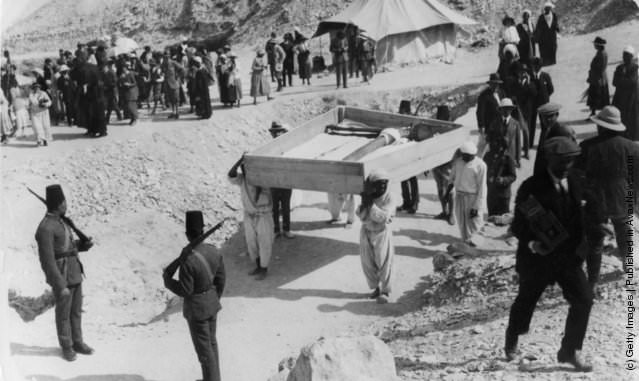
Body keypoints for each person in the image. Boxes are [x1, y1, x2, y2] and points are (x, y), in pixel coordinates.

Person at [505, 136, 593, 372]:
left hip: (568, 258)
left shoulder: (576, 181)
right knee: (526, 301)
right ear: (548, 160)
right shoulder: (530, 188)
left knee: (584, 299)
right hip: (538, 259)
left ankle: (570, 351)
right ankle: (512, 338)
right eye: (561, 162)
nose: (565, 168)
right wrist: (533, 244)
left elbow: (587, 214)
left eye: (570, 162)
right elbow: (518, 226)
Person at [576, 106, 639, 280]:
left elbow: (577, 174)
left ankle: (593, 280)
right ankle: (628, 266)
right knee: (624, 231)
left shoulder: (587, 146)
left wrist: (582, 195)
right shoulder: (632, 147)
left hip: (596, 198)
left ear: (601, 126)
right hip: (622, 196)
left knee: (595, 240)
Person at [163, 211, 225, 381]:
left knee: (204, 352)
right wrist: (212, 298)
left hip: (197, 311)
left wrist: (168, 281)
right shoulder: (214, 251)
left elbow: (185, 290)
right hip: (211, 304)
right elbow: (221, 280)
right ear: (203, 230)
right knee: (212, 344)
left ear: (187, 234)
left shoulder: (188, 260)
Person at [35, 184, 94, 362]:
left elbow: (68, 247)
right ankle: (67, 347)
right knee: (63, 314)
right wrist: (59, 285)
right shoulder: (45, 228)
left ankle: (78, 342)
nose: (66, 204)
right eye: (64, 201)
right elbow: (47, 261)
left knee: (76, 311)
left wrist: (83, 246)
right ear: (58, 204)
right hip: (62, 276)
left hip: (74, 272)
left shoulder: (62, 222)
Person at [228, 155, 274, 280]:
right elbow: (231, 175)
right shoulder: (242, 179)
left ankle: (264, 269)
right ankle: (258, 266)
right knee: (251, 243)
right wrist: (239, 161)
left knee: (264, 242)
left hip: (263, 216)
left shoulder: (264, 180)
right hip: (249, 215)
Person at [357, 169, 395, 304]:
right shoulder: (369, 196)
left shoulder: (389, 198)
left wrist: (370, 205)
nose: (382, 187)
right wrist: (365, 203)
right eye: (379, 184)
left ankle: (386, 290)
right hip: (367, 231)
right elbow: (361, 216)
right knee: (368, 262)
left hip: (381, 233)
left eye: (385, 184)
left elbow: (384, 218)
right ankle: (376, 288)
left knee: (383, 262)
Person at [446, 141, 487, 247]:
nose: (465, 158)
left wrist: (476, 207)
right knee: (462, 223)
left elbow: (482, 188)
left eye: (469, 156)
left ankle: (477, 247)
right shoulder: (458, 162)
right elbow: (452, 177)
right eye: (464, 156)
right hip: (459, 196)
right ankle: (465, 246)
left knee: (474, 224)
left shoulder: (480, 165)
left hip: (472, 198)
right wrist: (448, 189)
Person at [269, 122, 295, 239]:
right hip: (274, 182)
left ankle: (286, 229)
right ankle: (276, 230)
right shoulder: (268, 147)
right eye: (275, 132)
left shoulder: (287, 146)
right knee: (274, 208)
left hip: (286, 181)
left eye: (279, 131)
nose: (277, 134)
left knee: (285, 207)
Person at [484, 136, 517, 217]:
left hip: (503, 195)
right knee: (491, 218)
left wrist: (503, 180)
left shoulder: (508, 158)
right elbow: (483, 169)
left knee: (503, 218)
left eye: (497, 145)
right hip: (491, 194)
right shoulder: (488, 156)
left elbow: (513, 176)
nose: (493, 146)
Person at [612, 46, 639, 141]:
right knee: (621, 117)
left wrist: (621, 78)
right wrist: (623, 80)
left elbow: (632, 82)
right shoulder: (619, 67)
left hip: (631, 98)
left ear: (631, 57)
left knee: (631, 119)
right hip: (620, 98)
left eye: (627, 55)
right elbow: (614, 82)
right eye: (624, 55)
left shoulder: (634, 68)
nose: (624, 57)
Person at [476, 73, 505, 157]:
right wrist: (481, 125)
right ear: (490, 84)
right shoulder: (484, 95)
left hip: (501, 125)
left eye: (497, 84)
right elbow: (480, 112)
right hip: (489, 126)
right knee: (485, 147)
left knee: (499, 145)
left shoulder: (501, 93)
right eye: (494, 84)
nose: (496, 86)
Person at [487, 98, 522, 167]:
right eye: (504, 108)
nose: (506, 111)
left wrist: (518, 159)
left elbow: (518, 142)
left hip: (511, 155)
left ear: (512, 110)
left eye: (509, 108)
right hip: (498, 156)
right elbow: (490, 138)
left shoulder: (516, 123)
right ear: (500, 110)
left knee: (510, 175)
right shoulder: (495, 122)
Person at [530, 57, 554, 147]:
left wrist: (545, 98)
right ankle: (530, 143)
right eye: (535, 66)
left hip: (543, 104)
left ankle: (544, 143)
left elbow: (551, 89)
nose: (536, 68)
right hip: (533, 104)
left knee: (544, 124)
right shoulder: (530, 76)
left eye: (538, 66)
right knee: (531, 124)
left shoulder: (545, 76)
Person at [586, 37, 610, 117]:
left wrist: (593, 77)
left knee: (597, 96)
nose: (594, 45)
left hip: (598, 79)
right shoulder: (600, 52)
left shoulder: (602, 54)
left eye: (595, 44)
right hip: (598, 78)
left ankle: (598, 114)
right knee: (595, 96)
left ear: (598, 45)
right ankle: (593, 113)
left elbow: (600, 68)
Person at [535, 2, 560, 66]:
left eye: (549, 8)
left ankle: (552, 61)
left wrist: (557, 28)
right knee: (545, 48)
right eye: (546, 8)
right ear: (545, 9)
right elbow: (538, 27)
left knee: (553, 47)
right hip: (544, 36)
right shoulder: (541, 17)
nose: (548, 9)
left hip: (552, 35)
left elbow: (556, 23)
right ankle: (546, 61)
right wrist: (537, 36)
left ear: (551, 9)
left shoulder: (554, 15)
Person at [162, 52, 184, 119]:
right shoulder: (163, 64)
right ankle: (173, 112)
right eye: (165, 56)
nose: (166, 58)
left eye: (167, 56)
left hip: (174, 83)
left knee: (176, 99)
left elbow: (182, 69)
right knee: (171, 99)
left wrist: (178, 76)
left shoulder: (173, 63)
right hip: (167, 84)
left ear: (169, 56)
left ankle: (177, 113)